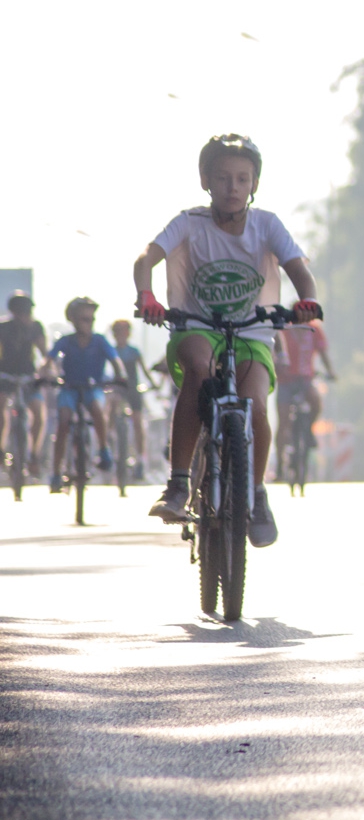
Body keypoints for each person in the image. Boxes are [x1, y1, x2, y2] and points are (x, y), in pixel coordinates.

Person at [135, 133, 323, 547]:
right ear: (206, 180)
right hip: (195, 324)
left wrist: (307, 299)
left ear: (254, 183)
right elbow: (146, 258)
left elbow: (299, 269)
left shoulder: (267, 225)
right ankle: (179, 483)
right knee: (198, 372)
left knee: (255, 406)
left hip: (253, 331)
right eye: (223, 178)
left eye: (242, 179)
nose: (232, 187)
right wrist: (146, 295)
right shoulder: (189, 222)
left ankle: (255, 494)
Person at [47, 298, 126, 489]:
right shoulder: (65, 341)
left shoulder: (100, 340)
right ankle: (56, 473)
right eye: (84, 319)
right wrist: (45, 374)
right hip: (69, 388)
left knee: (98, 410)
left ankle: (103, 448)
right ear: (73, 320)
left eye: (91, 319)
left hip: (93, 388)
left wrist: (121, 376)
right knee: (63, 422)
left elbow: (116, 361)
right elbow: (48, 360)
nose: (88, 323)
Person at [273, 319, 335, 480]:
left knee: (316, 402)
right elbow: (275, 352)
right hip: (286, 381)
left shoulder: (314, 330)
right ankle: (280, 466)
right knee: (284, 422)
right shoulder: (283, 330)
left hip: (305, 380)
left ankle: (308, 430)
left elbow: (323, 353)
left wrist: (330, 371)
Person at [0, 291, 50, 474]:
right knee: (1, 405)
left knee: (38, 411)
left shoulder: (36, 327)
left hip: (29, 375)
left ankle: (34, 455)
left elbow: (44, 353)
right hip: (5, 374)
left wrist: (46, 371)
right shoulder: (3, 327)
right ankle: (1, 449)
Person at [108, 318, 159, 479]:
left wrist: (153, 384)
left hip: (133, 389)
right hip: (118, 389)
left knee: (137, 420)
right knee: (112, 407)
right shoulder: (112, 351)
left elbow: (144, 370)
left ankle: (140, 456)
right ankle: (111, 442)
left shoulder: (134, 351)